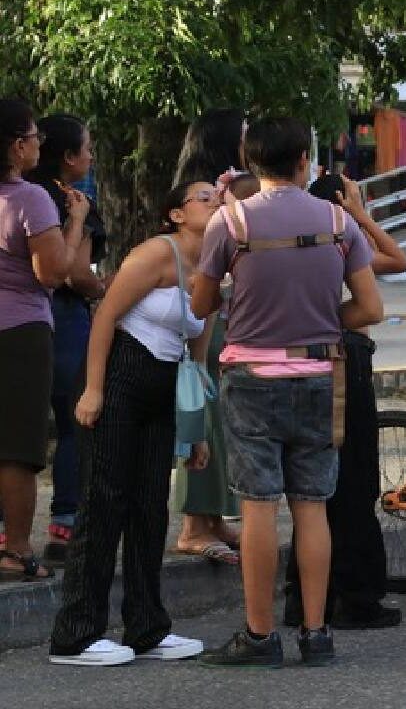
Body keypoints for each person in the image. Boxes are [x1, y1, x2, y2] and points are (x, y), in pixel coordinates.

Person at [192, 117, 382, 668]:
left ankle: (259, 636)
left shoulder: (229, 222)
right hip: (322, 376)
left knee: (258, 508)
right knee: (312, 506)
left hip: (251, 381)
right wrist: (322, 322)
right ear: (304, 160)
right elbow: (370, 309)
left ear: (251, 162)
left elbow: (202, 305)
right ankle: (317, 634)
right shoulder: (337, 220)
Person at [48, 181, 214, 666]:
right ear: (176, 214)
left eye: (216, 196)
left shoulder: (215, 266)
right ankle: (75, 635)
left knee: (150, 507)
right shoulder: (154, 254)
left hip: (165, 387)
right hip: (121, 373)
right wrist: (94, 389)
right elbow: (105, 319)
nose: (215, 201)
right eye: (202, 197)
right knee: (104, 501)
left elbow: (198, 354)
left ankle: (146, 626)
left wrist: (196, 429)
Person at [281, 172, 406, 630]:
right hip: (345, 355)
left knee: (312, 484)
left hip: (299, 357)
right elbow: (398, 259)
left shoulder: (290, 236)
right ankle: (357, 596)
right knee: (354, 480)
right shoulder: (341, 234)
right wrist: (357, 213)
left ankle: (302, 598)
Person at [0, 98, 86, 581]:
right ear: (17, 146)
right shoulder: (29, 198)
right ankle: (15, 550)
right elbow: (52, 273)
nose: (39, 144)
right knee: (17, 448)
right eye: (34, 137)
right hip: (20, 331)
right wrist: (73, 225)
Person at [24, 114, 106, 565]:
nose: (91, 157)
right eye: (87, 149)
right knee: (76, 420)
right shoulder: (72, 201)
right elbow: (73, 275)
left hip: (19, 320)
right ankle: (66, 524)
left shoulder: (17, 194)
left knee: (17, 427)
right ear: (69, 157)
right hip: (63, 318)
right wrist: (102, 288)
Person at [170, 110, 248, 564]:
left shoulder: (217, 188)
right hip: (206, 315)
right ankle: (195, 524)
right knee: (204, 415)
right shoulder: (207, 193)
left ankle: (215, 518)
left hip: (221, 314)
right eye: (242, 133)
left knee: (221, 421)